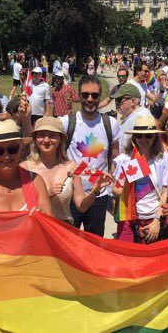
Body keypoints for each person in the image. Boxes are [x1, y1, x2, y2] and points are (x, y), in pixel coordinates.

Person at [59, 76, 120, 237]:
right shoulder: (67, 123)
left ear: (100, 96)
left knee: (95, 244)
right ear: (78, 96)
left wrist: (113, 191)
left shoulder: (110, 124)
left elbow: (114, 158)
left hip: (98, 196)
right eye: (85, 95)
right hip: (71, 197)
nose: (90, 99)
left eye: (95, 95)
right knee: (68, 243)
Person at [22, 117, 111, 223]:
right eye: (41, 135)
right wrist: (45, 194)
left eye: (52, 135)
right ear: (35, 139)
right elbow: (17, 204)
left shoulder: (72, 167)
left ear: (60, 139)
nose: (46, 140)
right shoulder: (25, 168)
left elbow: (81, 206)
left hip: (63, 229)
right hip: (35, 227)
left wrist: (96, 189)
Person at [112, 115, 168, 243]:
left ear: (155, 137)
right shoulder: (125, 159)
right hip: (129, 218)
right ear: (134, 137)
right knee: (127, 258)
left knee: (154, 260)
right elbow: (115, 190)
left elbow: (164, 193)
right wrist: (129, 184)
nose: (143, 139)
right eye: (139, 135)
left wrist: (157, 220)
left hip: (154, 217)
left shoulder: (163, 160)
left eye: (148, 136)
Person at [110, 84, 152, 152]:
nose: (117, 104)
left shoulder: (142, 116)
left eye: (119, 100)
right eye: (116, 100)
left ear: (132, 101)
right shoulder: (132, 116)